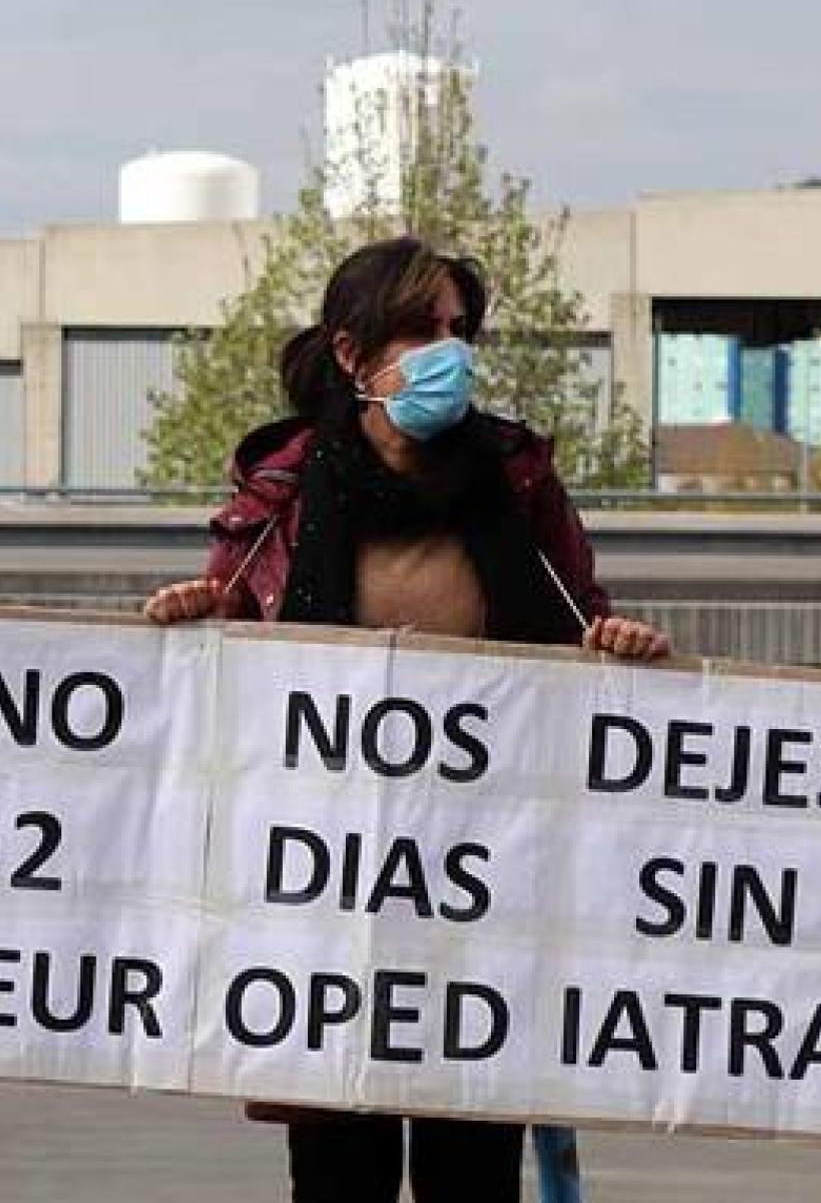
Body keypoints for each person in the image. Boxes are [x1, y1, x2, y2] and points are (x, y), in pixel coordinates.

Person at [143, 236, 668, 1203]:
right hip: (328, 896)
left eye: (460, 330)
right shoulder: (286, 495)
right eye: (423, 329)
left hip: (486, 886)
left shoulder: (514, 481)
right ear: (353, 353)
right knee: (339, 1172)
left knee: (473, 1169)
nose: (450, 350)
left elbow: (572, 631)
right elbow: (233, 654)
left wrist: (617, 648)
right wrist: (197, 619)